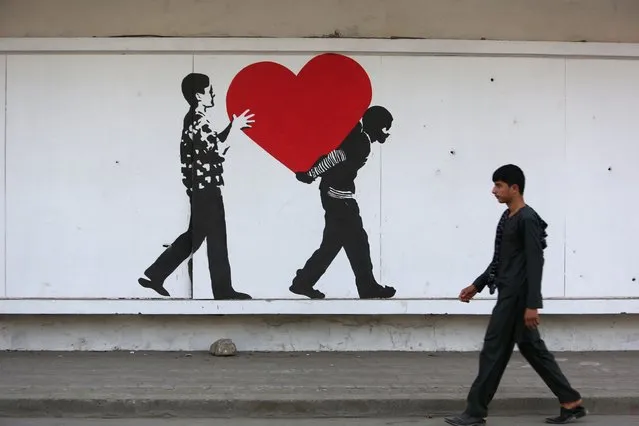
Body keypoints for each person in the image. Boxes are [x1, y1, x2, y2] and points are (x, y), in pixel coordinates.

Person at [445, 164, 587, 426]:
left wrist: (533, 304)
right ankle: (571, 401)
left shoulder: (528, 219)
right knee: (534, 350)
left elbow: (535, 262)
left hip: (517, 299)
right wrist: (477, 285)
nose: (493, 191)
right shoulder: (507, 217)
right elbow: (500, 260)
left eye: (498, 185)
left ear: (514, 188)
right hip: (508, 294)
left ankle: (475, 412)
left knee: (492, 351)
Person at [138, 73, 254, 300]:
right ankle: (222, 290)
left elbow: (210, 145)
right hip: (206, 188)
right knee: (215, 238)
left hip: (201, 187)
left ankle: (156, 274)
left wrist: (231, 126)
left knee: (197, 237)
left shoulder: (195, 119)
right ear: (198, 95)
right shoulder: (198, 120)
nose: (213, 93)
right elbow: (217, 151)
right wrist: (236, 127)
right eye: (209, 90)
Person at [290, 106, 396, 299]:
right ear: (376, 125)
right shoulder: (361, 141)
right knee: (356, 243)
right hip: (338, 197)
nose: (386, 133)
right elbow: (335, 156)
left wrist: (311, 175)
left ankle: (303, 282)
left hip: (338, 195)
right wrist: (311, 174)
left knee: (336, 245)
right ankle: (367, 287)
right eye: (384, 128)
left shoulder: (360, 138)